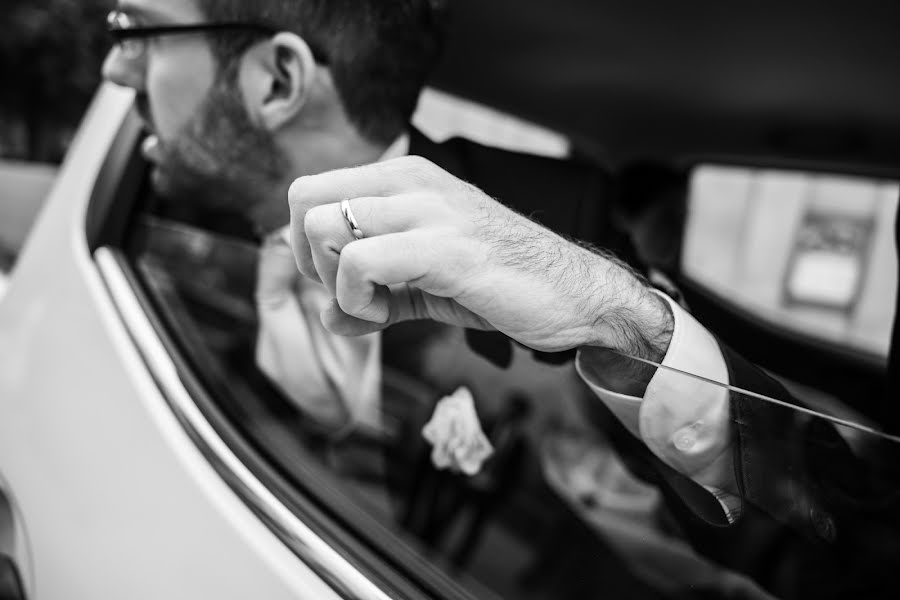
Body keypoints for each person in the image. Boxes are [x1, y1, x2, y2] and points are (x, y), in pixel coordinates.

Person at [286, 156, 900, 598]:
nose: (456, 381)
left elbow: (844, 544)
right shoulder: (544, 460)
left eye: (450, 361)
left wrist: (614, 318)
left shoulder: (606, 424)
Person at [101, 0, 633, 435]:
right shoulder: (152, 224)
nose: (115, 68)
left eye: (138, 29)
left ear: (278, 83)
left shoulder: (568, 238)